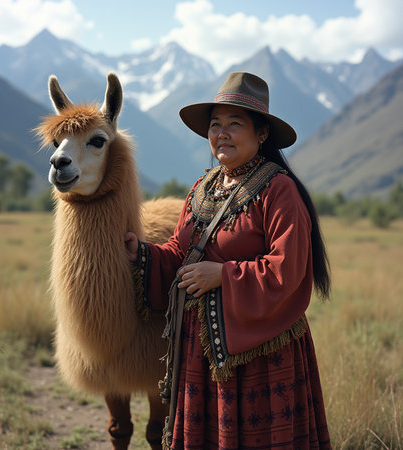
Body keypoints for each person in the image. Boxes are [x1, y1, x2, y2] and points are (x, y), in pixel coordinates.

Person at [125, 72, 331, 449]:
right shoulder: (201, 188)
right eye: (215, 124)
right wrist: (140, 253)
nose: (221, 133)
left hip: (261, 356)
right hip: (198, 354)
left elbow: (287, 268)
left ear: (262, 133)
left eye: (234, 124)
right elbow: (179, 254)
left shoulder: (278, 190)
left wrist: (223, 274)